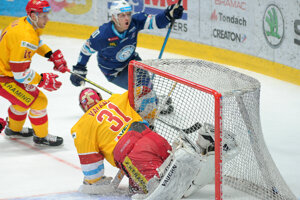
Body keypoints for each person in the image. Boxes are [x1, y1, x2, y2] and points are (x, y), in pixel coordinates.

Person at [71, 87, 212, 199]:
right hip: (153, 138)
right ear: (100, 96)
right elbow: (145, 90)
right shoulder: (117, 98)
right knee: (136, 188)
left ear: (82, 108)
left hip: (134, 156)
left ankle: (200, 148)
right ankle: (203, 146)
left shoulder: (81, 126)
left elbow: (91, 167)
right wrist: (148, 116)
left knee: (164, 191)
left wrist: (93, 183)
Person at [70, 0, 184, 89]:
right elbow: (86, 49)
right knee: (139, 90)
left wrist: (169, 14)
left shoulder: (135, 22)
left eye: (128, 14)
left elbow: (156, 22)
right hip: (113, 71)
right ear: (114, 17)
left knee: (145, 87)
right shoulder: (103, 35)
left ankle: (152, 102)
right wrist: (80, 68)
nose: (127, 18)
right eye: (122, 15)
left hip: (132, 62)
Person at [0, 0, 69, 146]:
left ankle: (13, 129)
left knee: (23, 100)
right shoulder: (24, 36)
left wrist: (49, 54)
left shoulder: (25, 23)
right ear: (33, 15)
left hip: (5, 73)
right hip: (4, 78)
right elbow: (20, 74)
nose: (47, 19)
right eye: (43, 16)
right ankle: (41, 136)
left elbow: (36, 42)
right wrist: (42, 79)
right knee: (39, 101)